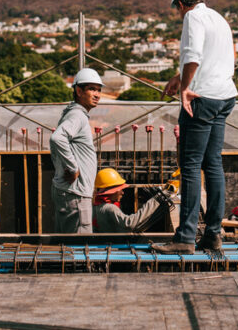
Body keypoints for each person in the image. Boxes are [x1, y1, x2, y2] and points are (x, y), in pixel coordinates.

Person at [152, 0, 236, 254]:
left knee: (189, 167)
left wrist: (185, 87)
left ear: (179, 4)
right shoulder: (217, 18)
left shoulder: (193, 19)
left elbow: (194, 56)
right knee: (213, 165)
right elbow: (216, 57)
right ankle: (213, 235)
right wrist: (179, 77)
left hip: (202, 100)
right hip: (224, 97)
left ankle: (185, 238)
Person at [49, 67, 102, 233]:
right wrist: (73, 168)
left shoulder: (74, 114)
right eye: (92, 89)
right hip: (76, 195)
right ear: (79, 91)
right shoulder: (77, 115)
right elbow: (57, 138)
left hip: (72, 193)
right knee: (79, 248)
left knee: (66, 247)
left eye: (99, 90)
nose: (97, 94)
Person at [93, 167, 175, 234]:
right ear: (112, 191)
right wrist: (155, 200)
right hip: (116, 244)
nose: (122, 192)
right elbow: (130, 223)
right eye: (120, 189)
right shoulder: (109, 208)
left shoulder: (97, 206)